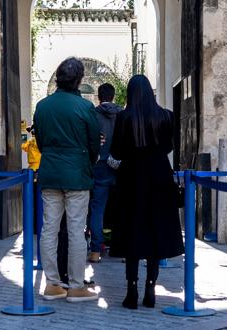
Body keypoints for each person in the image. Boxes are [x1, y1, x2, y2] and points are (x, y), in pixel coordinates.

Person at [109, 75, 183, 309]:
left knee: (133, 232)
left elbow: (117, 151)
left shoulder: (123, 118)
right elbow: (170, 147)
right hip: (160, 177)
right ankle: (150, 288)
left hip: (131, 178)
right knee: (155, 233)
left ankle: (131, 289)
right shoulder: (166, 116)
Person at [32, 58, 101, 303]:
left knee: (49, 229)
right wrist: (86, 161)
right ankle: (75, 285)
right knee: (76, 231)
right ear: (79, 80)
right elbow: (94, 145)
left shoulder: (42, 106)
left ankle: (52, 284)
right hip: (77, 174)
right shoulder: (84, 108)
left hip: (50, 171)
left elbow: (40, 141)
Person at [87, 83, 122, 263]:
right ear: (113, 95)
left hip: (99, 165)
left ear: (99, 96)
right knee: (123, 208)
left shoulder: (93, 114)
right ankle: (123, 249)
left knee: (97, 208)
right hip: (120, 166)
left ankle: (95, 250)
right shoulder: (123, 114)